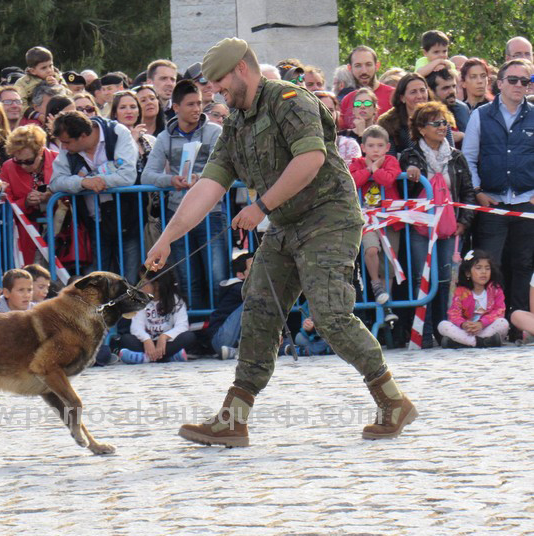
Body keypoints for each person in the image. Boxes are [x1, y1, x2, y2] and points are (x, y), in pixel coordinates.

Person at [145, 37, 417, 447]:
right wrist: (167, 239)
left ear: (241, 69)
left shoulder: (291, 100)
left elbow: (311, 160)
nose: (213, 92)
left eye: (218, 82)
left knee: (330, 314)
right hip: (287, 223)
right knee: (257, 309)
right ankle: (233, 419)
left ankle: (393, 401)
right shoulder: (235, 123)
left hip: (329, 217)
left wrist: (262, 206)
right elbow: (208, 186)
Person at [462, 59, 534, 327]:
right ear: (500, 83)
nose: (519, 86)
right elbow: (468, 158)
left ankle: (519, 323)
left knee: (524, 263)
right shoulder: (480, 115)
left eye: (525, 81)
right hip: (491, 202)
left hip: (527, 202)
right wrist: (478, 191)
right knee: (489, 265)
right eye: (513, 80)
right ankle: (493, 322)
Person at [142, 79, 226, 307]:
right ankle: (197, 331)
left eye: (198, 103)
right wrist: (171, 180)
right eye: (190, 104)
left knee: (218, 276)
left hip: (211, 211)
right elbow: (148, 175)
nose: (197, 109)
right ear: (176, 107)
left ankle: (219, 328)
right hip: (177, 213)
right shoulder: (165, 137)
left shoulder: (214, 132)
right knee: (188, 278)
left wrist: (204, 177)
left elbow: (225, 165)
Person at [401, 101, 475, 347]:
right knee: (422, 279)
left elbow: (467, 193)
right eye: (436, 123)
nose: (442, 127)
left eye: (445, 122)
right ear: (421, 129)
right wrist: (410, 172)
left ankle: (447, 331)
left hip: (449, 228)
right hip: (420, 228)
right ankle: (423, 332)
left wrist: (463, 222)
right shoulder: (410, 156)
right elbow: (403, 190)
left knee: (446, 280)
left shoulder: (456, 157)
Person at [50, 110, 139, 279]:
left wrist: (95, 179)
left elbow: (128, 176)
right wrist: (82, 183)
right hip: (94, 223)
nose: (64, 147)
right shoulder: (67, 148)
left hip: (128, 219)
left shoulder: (117, 132)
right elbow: (55, 182)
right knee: (98, 284)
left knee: (130, 281)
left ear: (83, 135)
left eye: (67, 142)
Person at [349, 125, 402, 315]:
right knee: (371, 249)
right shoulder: (356, 163)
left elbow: (388, 180)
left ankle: (386, 304)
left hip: (389, 220)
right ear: (363, 147)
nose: (375, 150)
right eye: (371, 146)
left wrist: (376, 169)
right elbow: (353, 181)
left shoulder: (391, 161)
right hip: (367, 220)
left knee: (388, 263)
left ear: (387, 147)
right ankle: (375, 284)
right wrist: (369, 170)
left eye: (380, 145)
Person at [0, 124, 57, 265]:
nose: (24, 166)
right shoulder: (8, 167)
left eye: (29, 161)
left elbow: (71, 194)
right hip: (27, 232)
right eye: (18, 161)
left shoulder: (58, 160)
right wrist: (25, 202)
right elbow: (4, 205)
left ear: (41, 151)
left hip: (60, 230)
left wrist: (52, 196)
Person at [118, 267, 194, 364]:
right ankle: (168, 357)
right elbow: (136, 327)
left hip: (167, 343)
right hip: (147, 344)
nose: (140, 286)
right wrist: (146, 339)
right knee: (126, 339)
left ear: (157, 285)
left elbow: (182, 326)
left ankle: (146, 358)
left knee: (189, 337)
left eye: (144, 282)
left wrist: (164, 337)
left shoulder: (176, 300)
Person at [438, 250, 509, 348]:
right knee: (443, 325)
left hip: (485, 329)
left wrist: (481, 323)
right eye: (478, 268)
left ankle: (463, 343)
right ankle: (481, 343)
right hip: (467, 331)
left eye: (487, 268)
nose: (483, 272)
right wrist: (464, 324)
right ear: (468, 273)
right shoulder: (461, 291)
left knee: (503, 323)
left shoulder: (495, 289)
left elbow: (499, 311)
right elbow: (454, 313)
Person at [378, 72, 452, 156]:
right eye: (413, 92)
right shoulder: (388, 123)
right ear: (402, 98)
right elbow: (389, 159)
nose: (420, 96)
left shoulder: (441, 117)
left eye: (422, 90)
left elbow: (451, 154)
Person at [200, 252, 253, 360]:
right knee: (254, 302)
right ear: (240, 275)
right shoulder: (236, 287)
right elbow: (257, 294)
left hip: (238, 339)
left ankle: (286, 346)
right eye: (254, 267)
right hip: (221, 338)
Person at [340, 46, 395, 129]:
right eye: (358, 66)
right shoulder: (347, 100)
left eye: (368, 65)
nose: (364, 71)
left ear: (377, 66)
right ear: (350, 68)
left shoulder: (393, 96)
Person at [426, 67, 470, 145]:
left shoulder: (462, 109)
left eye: (453, 86)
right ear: (431, 91)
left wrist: (463, 136)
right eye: (445, 88)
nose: (452, 91)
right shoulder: (425, 113)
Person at [314, 90, 361, 162]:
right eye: (321, 110)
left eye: (331, 110)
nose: (327, 114)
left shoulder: (348, 146)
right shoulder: (299, 144)